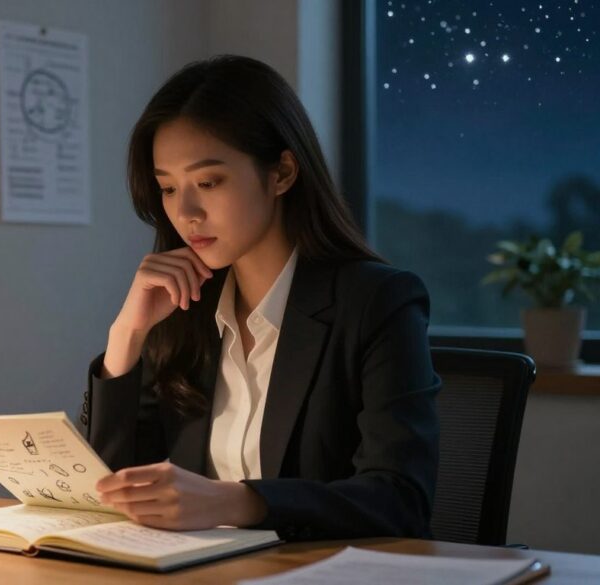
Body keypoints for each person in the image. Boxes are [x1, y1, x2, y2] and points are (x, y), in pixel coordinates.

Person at [80, 55, 440, 541]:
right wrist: (127, 335)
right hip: (197, 572)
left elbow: (400, 500)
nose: (185, 212)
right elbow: (108, 488)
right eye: (167, 187)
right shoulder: (183, 307)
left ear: (282, 173)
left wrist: (236, 500)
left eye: (208, 182)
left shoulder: (377, 301)